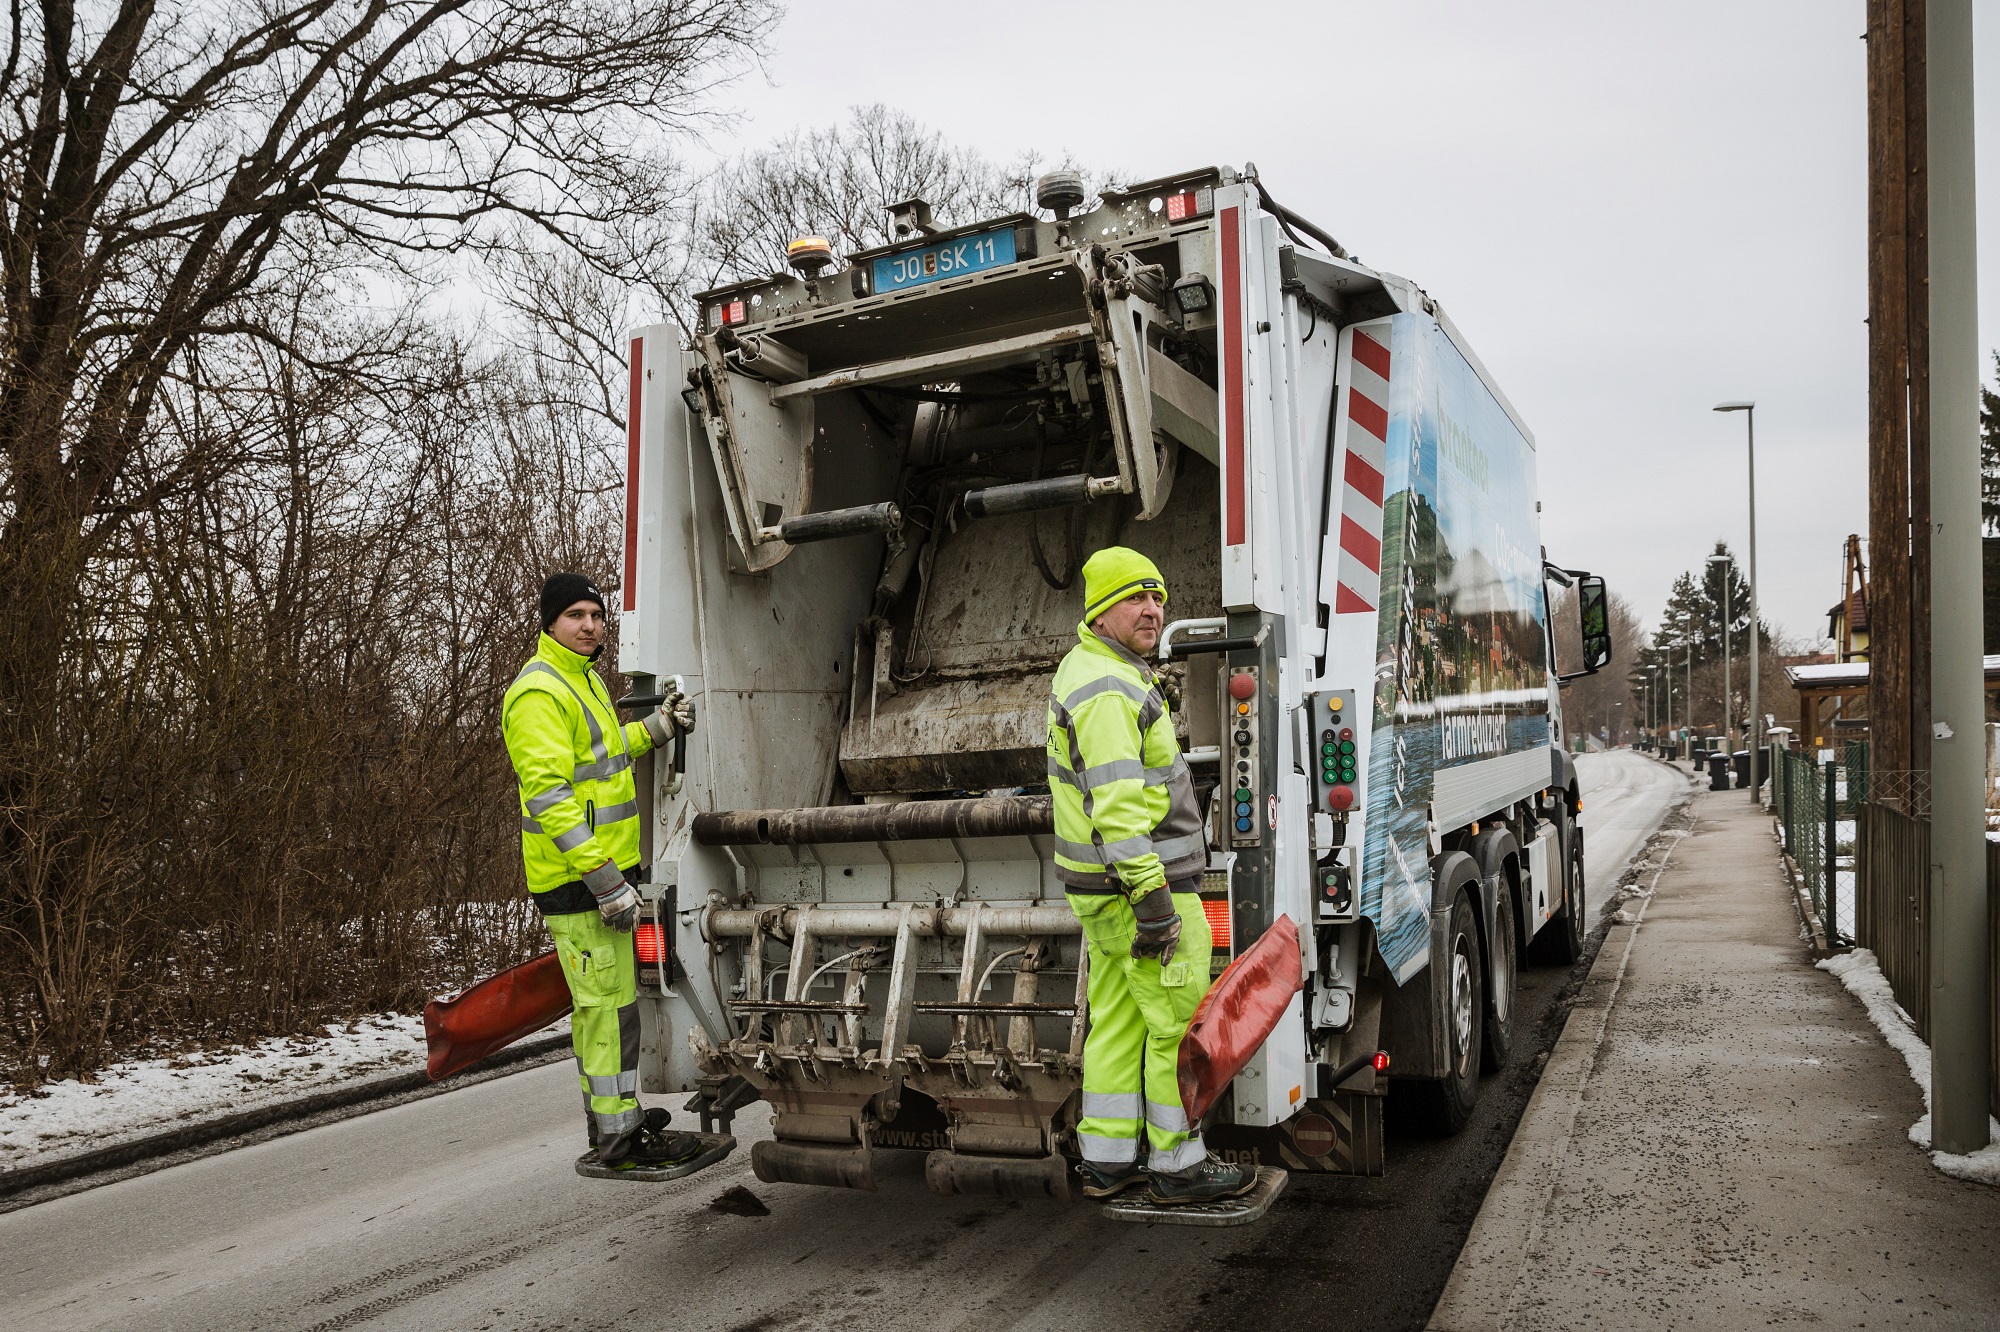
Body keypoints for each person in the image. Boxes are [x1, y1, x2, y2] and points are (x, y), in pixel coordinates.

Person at [1048, 547, 1258, 1205]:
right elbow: (1117, 806)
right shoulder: (1110, 687)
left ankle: (1107, 1160)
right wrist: (1154, 900)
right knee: (1177, 1026)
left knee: (1118, 1021)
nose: (1152, 609)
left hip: (1105, 897)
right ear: (1101, 610)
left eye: (1158, 596)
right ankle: (1179, 1167)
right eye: (1135, 598)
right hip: (1143, 891)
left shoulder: (1096, 670)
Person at [502, 572, 697, 1169]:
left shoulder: (579, 682)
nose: (590, 625)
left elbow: (606, 759)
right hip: (582, 885)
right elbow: (550, 799)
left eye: (596, 615)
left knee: (608, 1005)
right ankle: (618, 1138)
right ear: (549, 621)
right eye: (575, 616)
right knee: (607, 1009)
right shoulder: (539, 692)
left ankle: (616, 1121)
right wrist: (606, 881)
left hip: (603, 878)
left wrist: (658, 728)